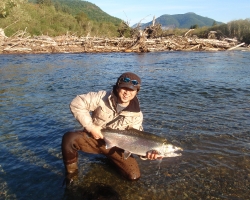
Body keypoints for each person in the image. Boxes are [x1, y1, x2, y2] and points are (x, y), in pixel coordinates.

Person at [61, 72, 160, 182]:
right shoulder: (102, 97)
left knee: (133, 176)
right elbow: (77, 103)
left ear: (137, 92)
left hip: (117, 146)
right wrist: (91, 127)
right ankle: (71, 175)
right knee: (69, 138)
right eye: (124, 88)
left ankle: (111, 161)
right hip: (95, 139)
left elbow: (136, 141)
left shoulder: (137, 115)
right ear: (117, 88)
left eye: (132, 90)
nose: (127, 93)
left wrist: (147, 154)